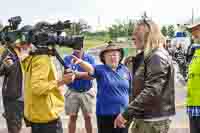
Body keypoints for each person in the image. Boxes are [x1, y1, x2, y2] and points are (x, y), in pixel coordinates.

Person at [114, 19, 175, 133]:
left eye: (137, 34)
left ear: (147, 35)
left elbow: (152, 90)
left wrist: (126, 113)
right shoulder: (148, 55)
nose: (133, 38)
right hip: (147, 117)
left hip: (151, 120)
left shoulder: (156, 56)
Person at [22, 23, 76, 133]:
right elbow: (38, 88)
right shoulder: (41, 58)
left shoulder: (32, 57)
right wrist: (62, 81)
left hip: (36, 115)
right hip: (46, 118)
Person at [71, 43, 132, 133]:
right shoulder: (101, 69)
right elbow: (91, 69)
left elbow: (130, 92)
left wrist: (129, 111)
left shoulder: (125, 70)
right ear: (104, 58)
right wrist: (81, 62)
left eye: (115, 55)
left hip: (123, 115)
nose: (112, 57)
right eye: (109, 55)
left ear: (120, 57)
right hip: (105, 115)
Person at [0, 35, 29, 133]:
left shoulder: (31, 52)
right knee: (14, 128)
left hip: (29, 97)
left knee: (33, 125)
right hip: (14, 97)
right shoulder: (9, 51)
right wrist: (6, 65)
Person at [63, 48, 96, 133]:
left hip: (86, 91)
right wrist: (86, 74)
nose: (77, 48)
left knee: (88, 117)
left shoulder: (90, 58)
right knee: (72, 117)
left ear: (83, 46)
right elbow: (67, 76)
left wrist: (76, 74)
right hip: (72, 91)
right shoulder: (67, 58)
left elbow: (92, 76)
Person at [186, 23, 200, 133]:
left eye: (196, 31)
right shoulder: (196, 51)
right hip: (194, 106)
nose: (194, 35)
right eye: (193, 32)